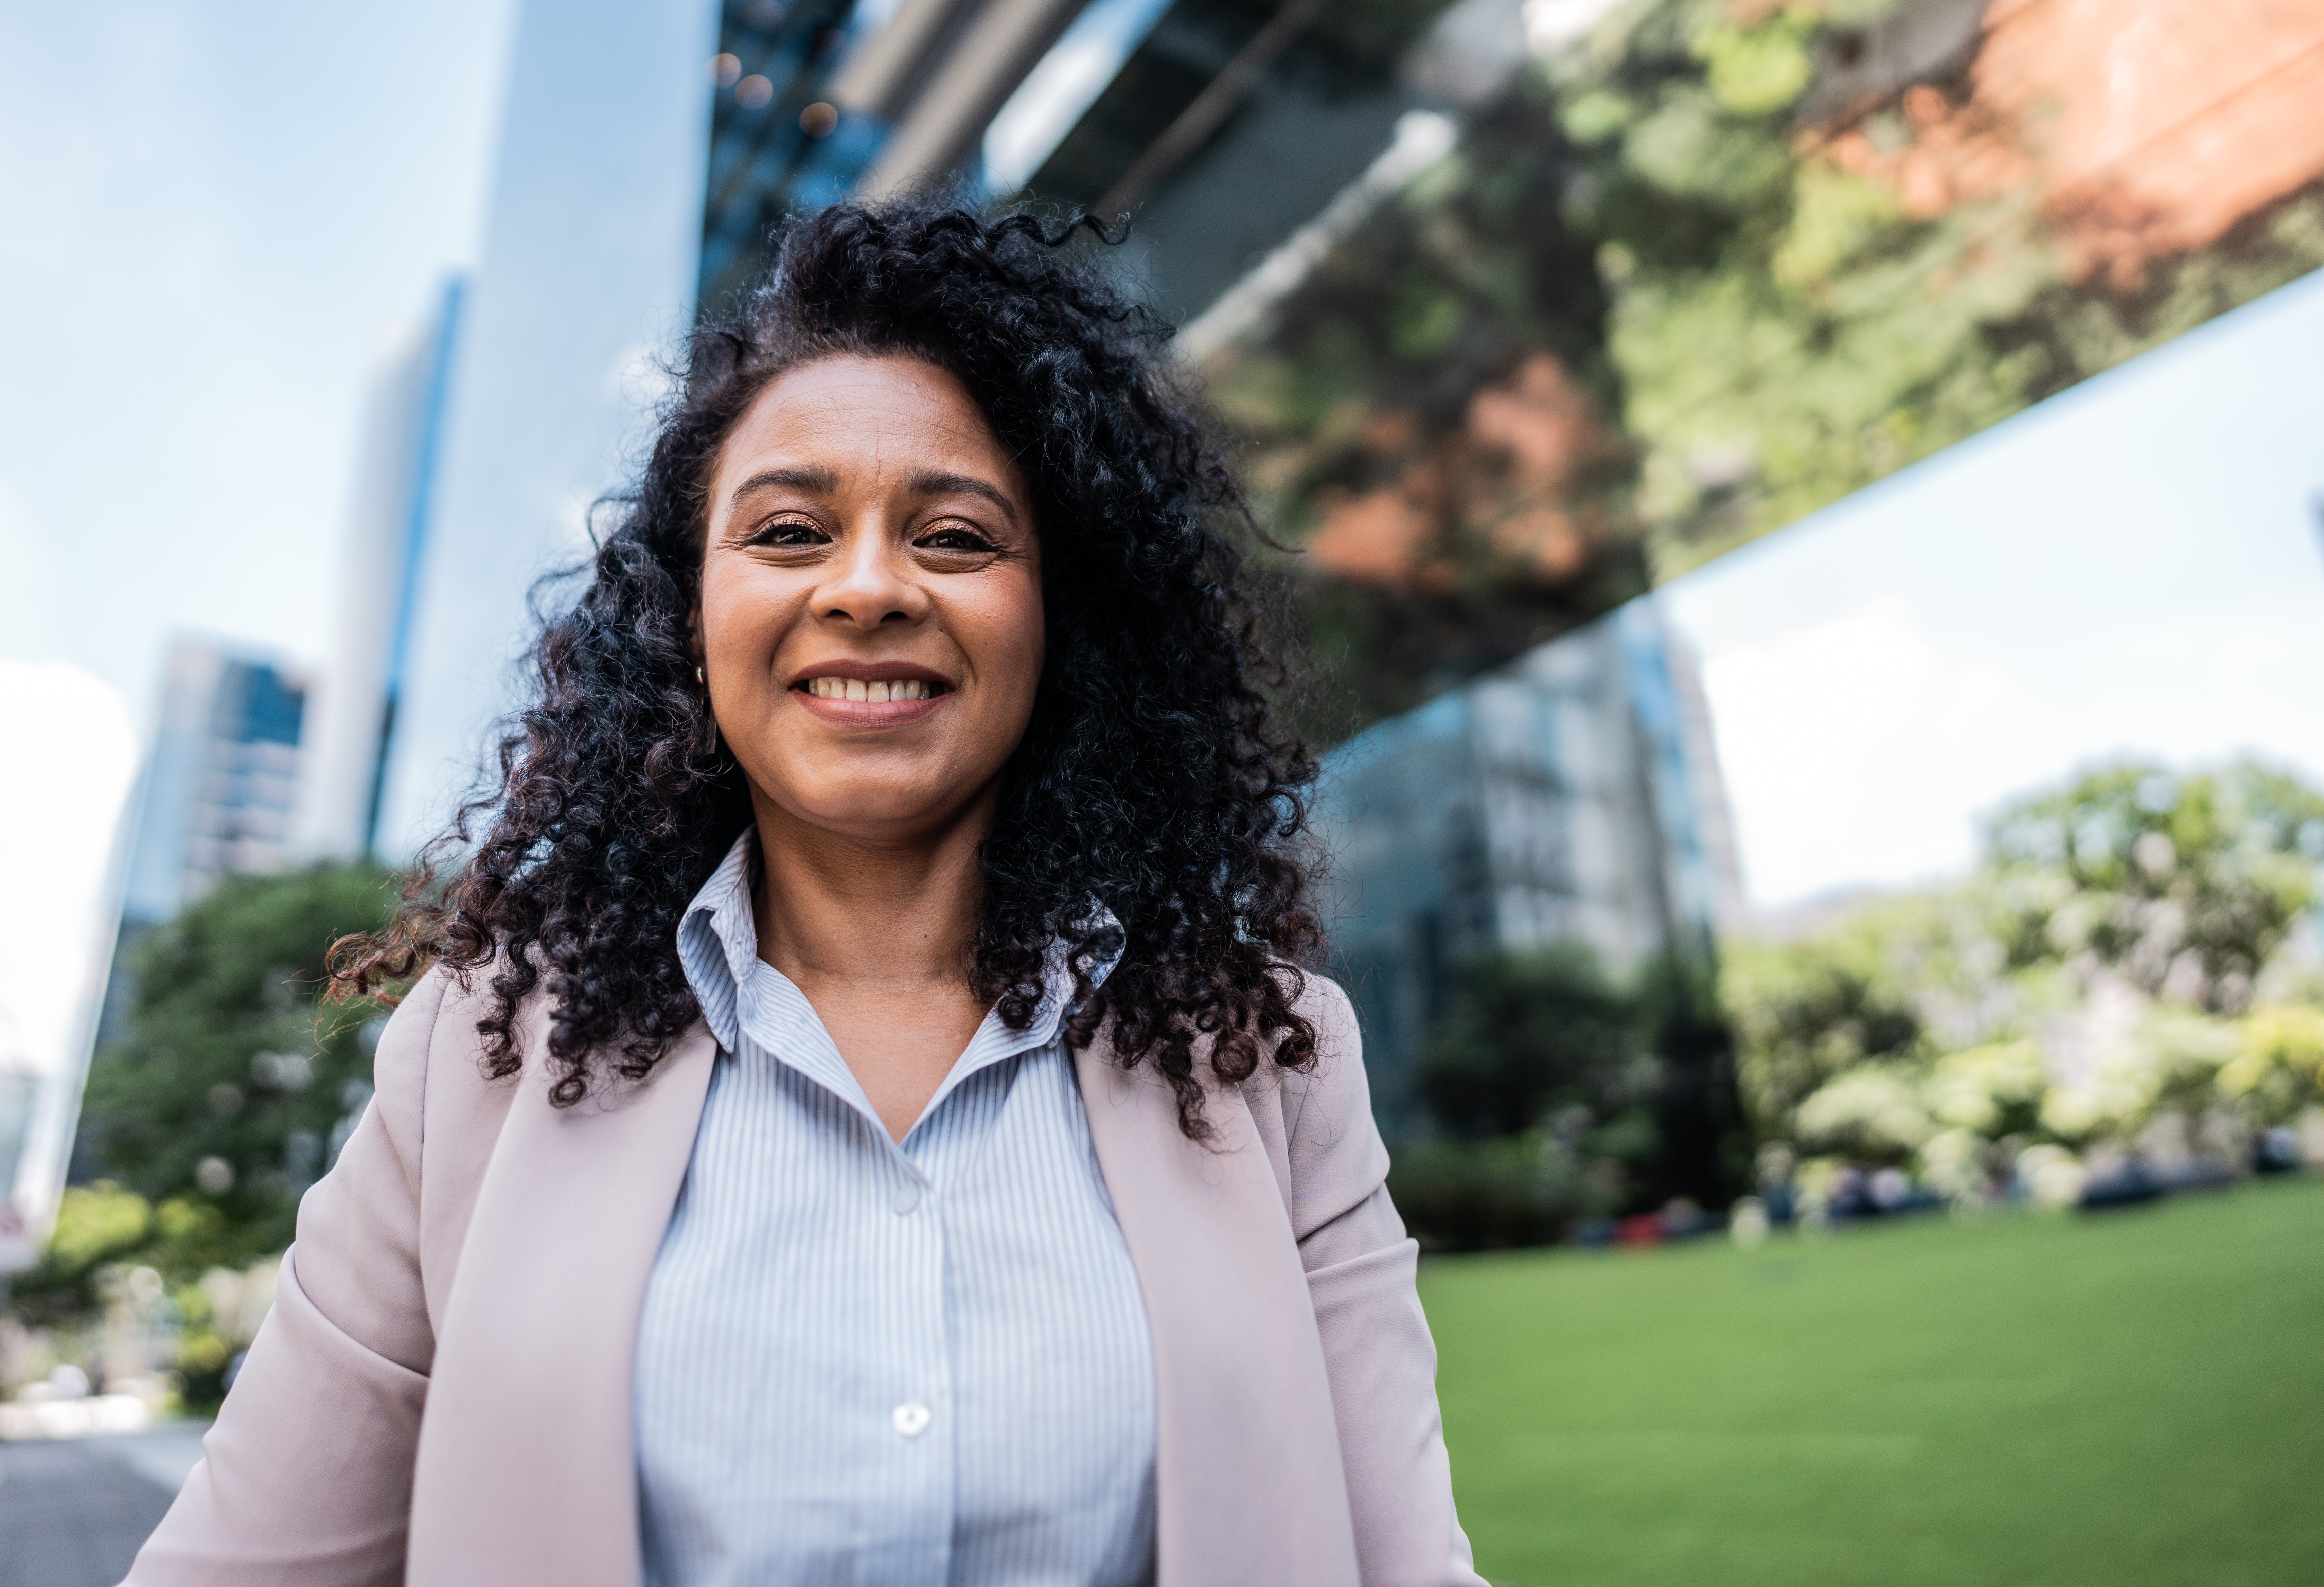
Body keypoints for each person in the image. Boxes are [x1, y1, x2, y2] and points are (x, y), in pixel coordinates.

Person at [123, 201, 1483, 1587]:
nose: (870, 586)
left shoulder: (1269, 1055)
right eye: (788, 532)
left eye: (957, 537)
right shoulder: (475, 1056)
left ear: (1061, 618)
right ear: (688, 611)